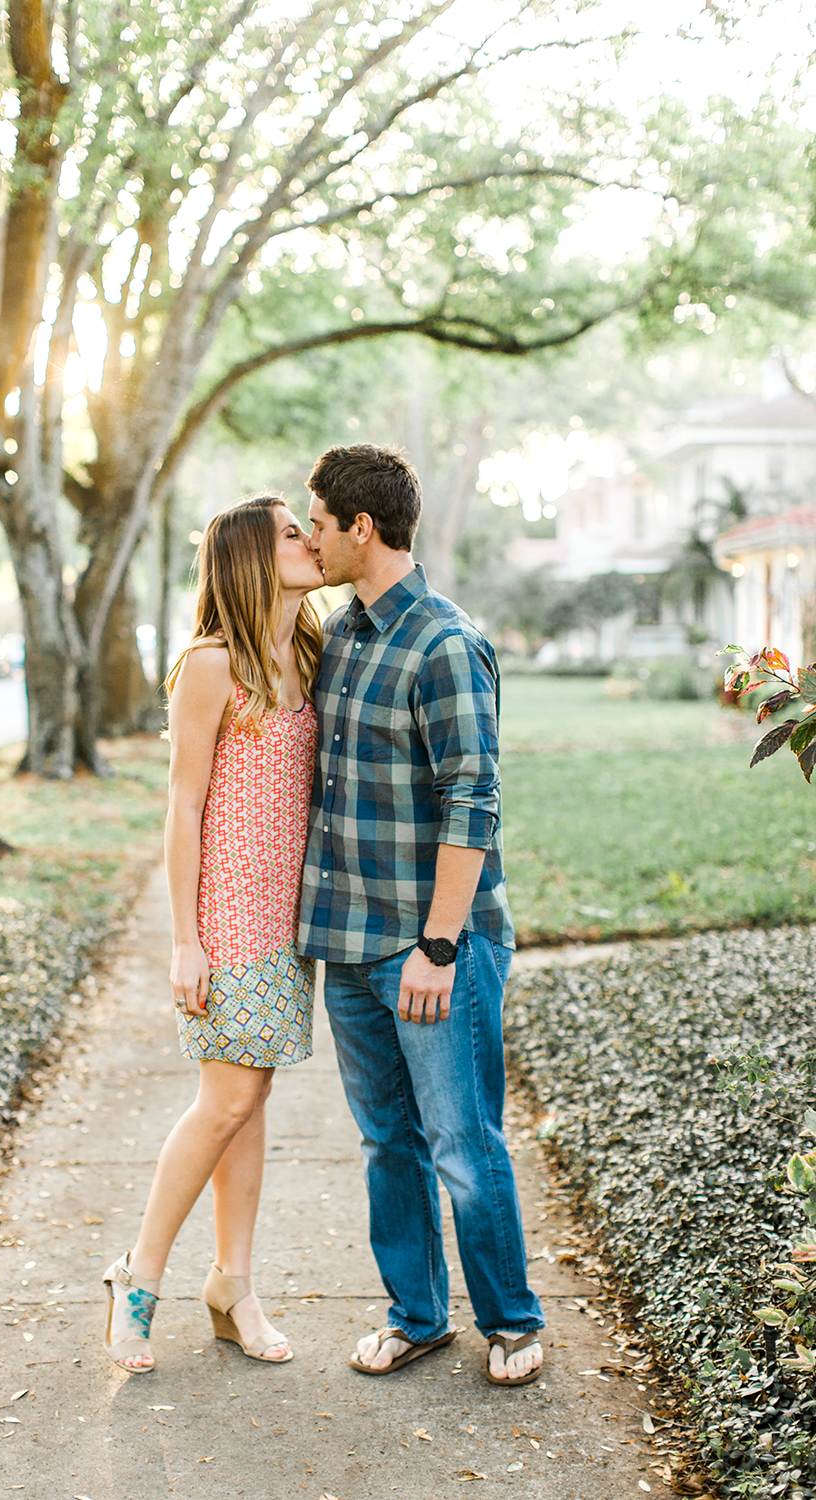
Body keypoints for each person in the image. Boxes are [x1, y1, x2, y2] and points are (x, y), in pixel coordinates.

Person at [298, 444, 545, 1387]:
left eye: (317, 521)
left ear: (362, 527)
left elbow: (471, 804)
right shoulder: (345, 632)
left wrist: (439, 947)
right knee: (387, 1140)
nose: (310, 537)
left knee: (463, 1140)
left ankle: (512, 1321)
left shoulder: (445, 642)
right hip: (352, 943)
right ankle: (418, 1314)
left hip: (435, 941)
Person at [102, 495, 324, 1372]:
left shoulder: (308, 647)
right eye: (292, 534)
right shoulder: (210, 662)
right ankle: (139, 1276)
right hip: (228, 914)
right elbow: (184, 803)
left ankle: (232, 1285)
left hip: (289, 916)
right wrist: (183, 938)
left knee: (251, 1098)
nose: (309, 542)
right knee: (225, 1099)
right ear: (248, 559)